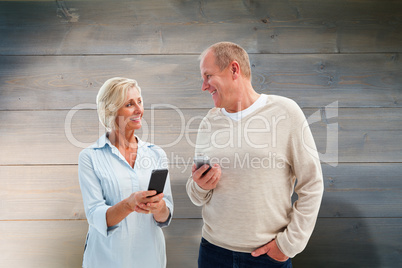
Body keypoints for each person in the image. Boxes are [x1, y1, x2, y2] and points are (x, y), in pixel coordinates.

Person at [186, 42, 324, 268]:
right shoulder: (208, 122)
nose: (203, 86)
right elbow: (196, 195)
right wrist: (200, 185)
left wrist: (288, 246)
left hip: (266, 258)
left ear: (233, 69)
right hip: (212, 253)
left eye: (208, 76)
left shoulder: (285, 112)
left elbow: (312, 184)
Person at [78, 77, 173, 268]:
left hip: (150, 259)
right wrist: (129, 204)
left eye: (139, 101)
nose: (139, 110)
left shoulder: (156, 154)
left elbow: (165, 215)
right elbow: (95, 214)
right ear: (111, 111)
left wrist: (159, 206)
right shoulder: (90, 157)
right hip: (106, 259)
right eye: (130, 104)